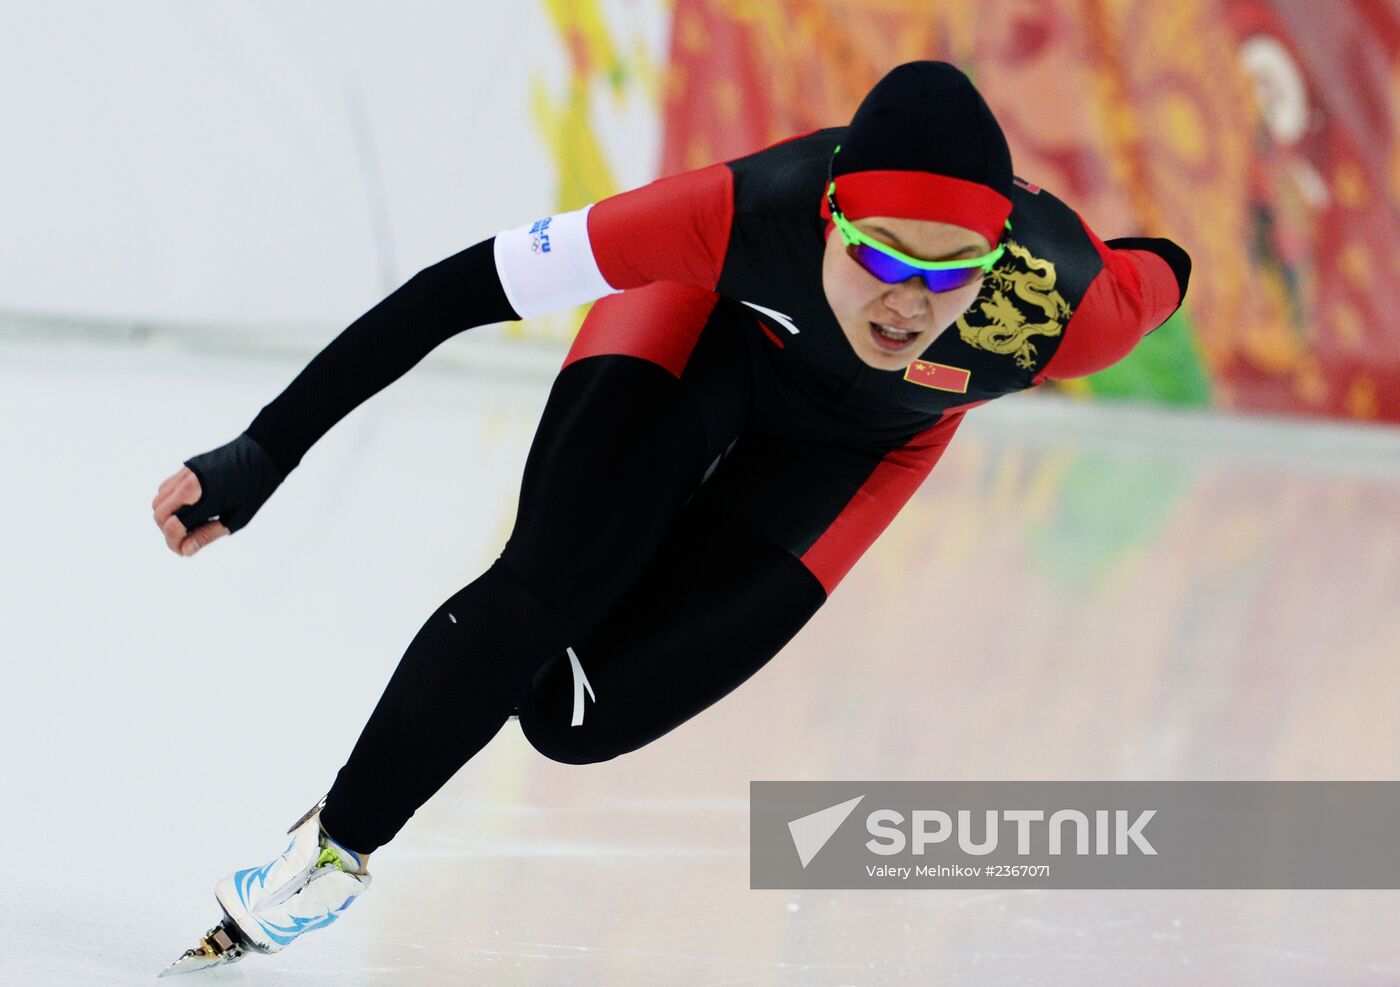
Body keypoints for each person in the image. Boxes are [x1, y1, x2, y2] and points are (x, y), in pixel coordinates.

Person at [152, 61, 1189, 957]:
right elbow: (451, 291)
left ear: (996, 258)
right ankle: (334, 851)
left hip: (868, 444)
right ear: (826, 217)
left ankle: (581, 594)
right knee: (549, 584)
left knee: (576, 720)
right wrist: (263, 452)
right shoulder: (740, 210)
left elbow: (1165, 270)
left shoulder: (1060, 308)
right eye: (877, 255)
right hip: (701, 335)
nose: (907, 303)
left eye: (949, 273)